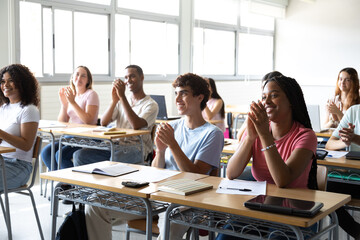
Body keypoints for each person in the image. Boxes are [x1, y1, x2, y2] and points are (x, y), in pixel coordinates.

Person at [84, 73, 224, 240]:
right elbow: (156, 170)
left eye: (184, 93)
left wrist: (172, 145)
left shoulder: (213, 134)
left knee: (169, 225)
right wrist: (162, 150)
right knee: (95, 202)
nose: (177, 99)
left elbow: (197, 175)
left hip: (186, 202)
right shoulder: (172, 126)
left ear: (200, 97)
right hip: (156, 194)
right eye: (176, 93)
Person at [216, 75, 318, 240]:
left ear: (291, 100)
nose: (267, 101)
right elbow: (231, 173)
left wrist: (263, 134)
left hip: (296, 210)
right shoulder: (258, 131)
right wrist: (250, 137)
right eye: (264, 97)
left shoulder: (305, 136)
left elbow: (282, 181)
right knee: (225, 237)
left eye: (274, 95)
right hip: (262, 206)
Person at [73, 65, 158, 166]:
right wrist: (114, 101)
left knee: (113, 160)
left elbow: (136, 125)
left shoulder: (151, 104)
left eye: (132, 76)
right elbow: (104, 122)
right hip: (116, 145)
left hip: (137, 148)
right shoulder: (121, 101)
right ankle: (86, 182)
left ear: (142, 77)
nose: (128, 80)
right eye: (126, 78)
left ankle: (106, 180)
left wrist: (122, 97)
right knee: (79, 155)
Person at [41, 66, 99, 170]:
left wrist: (72, 102)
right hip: (71, 136)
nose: (79, 78)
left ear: (88, 80)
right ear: (72, 78)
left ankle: (71, 184)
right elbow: (62, 122)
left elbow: (88, 121)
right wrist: (64, 104)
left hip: (86, 137)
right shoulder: (72, 95)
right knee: (46, 152)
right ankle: (62, 181)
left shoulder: (91, 94)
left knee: (60, 155)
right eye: (77, 74)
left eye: (83, 76)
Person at [0, 64, 40, 191]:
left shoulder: (29, 109)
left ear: (22, 83)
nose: (5, 85)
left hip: (19, 166)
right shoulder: (3, 108)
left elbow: (26, 145)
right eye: (3, 81)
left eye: (11, 81)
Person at [325, 104, 360, 240]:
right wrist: (344, 142)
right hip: (353, 177)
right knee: (323, 190)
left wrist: (355, 138)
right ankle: (356, 231)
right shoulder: (354, 111)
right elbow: (330, 144)